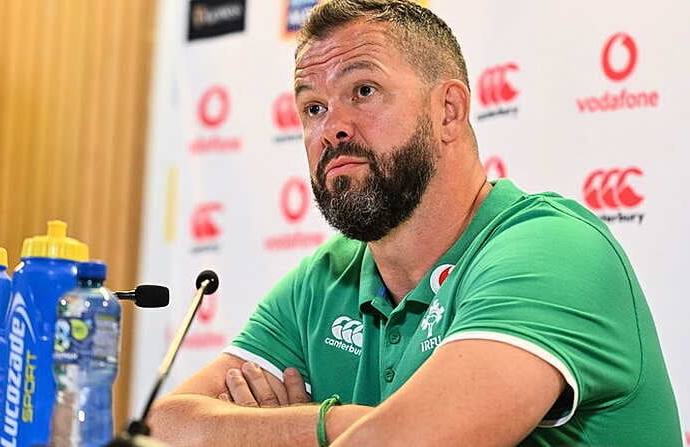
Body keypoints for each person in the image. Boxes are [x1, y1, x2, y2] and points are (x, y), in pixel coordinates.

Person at [148, 1, 682, 445]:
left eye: (363, 91)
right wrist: (345, 427)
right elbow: (163, 426)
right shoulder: (326, 277)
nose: (332, 127)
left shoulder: (553, 248)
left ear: (448, 110)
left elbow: (413, 443)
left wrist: (288, 426)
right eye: (312, 108)